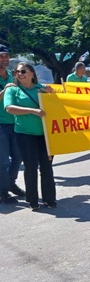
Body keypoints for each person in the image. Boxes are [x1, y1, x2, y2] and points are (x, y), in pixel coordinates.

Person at [4, 63, 56, 211]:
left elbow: (57, 106)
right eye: (17, 72)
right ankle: (32, 200)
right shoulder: (12, 90)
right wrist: (32, 110)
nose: (19, 74)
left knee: (47, 167)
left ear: (32, 73)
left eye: (23, 71)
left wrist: (52, 94)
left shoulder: (42, 88)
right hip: (24, 135)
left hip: (45, 135)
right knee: (30, 167)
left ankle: (49, 199)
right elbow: (9, 108)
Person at [0, 44, 25, 204]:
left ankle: (10, 184)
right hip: (0, 124)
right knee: (3, 161)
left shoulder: (13, 75)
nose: (5, 59)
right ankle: (3, 191)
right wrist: (4, 91)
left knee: (18, 156)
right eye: (1, 56)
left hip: (15, 123)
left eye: (6, 56)